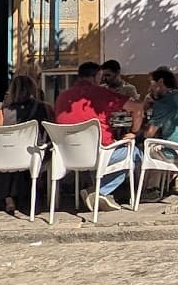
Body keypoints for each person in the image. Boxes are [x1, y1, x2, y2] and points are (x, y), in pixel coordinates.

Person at [54, 61, 140, 212]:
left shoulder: (63, 97)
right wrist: (133, 132)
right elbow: (137, 108)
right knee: (134, 152)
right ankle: (99, 191)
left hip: (67, 154)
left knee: (102, 149)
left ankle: (100, 194)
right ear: (97, 75)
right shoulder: (100, 93)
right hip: (98, 154)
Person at [0, 72, 52, 216]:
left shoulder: (1, 114)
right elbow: (52, 130)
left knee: (8, 155)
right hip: (35, 155)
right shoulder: (45, 108)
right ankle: (23, 196)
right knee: (26, 155)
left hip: (8, 158)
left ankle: (7, 196)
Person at [143, 67, 178, 146]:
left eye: (151, 83)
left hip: (173, 149)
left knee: (139, 144)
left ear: (160, 82)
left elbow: (148, 134)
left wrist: (143, 110)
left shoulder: (163, 103)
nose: (150, 88)